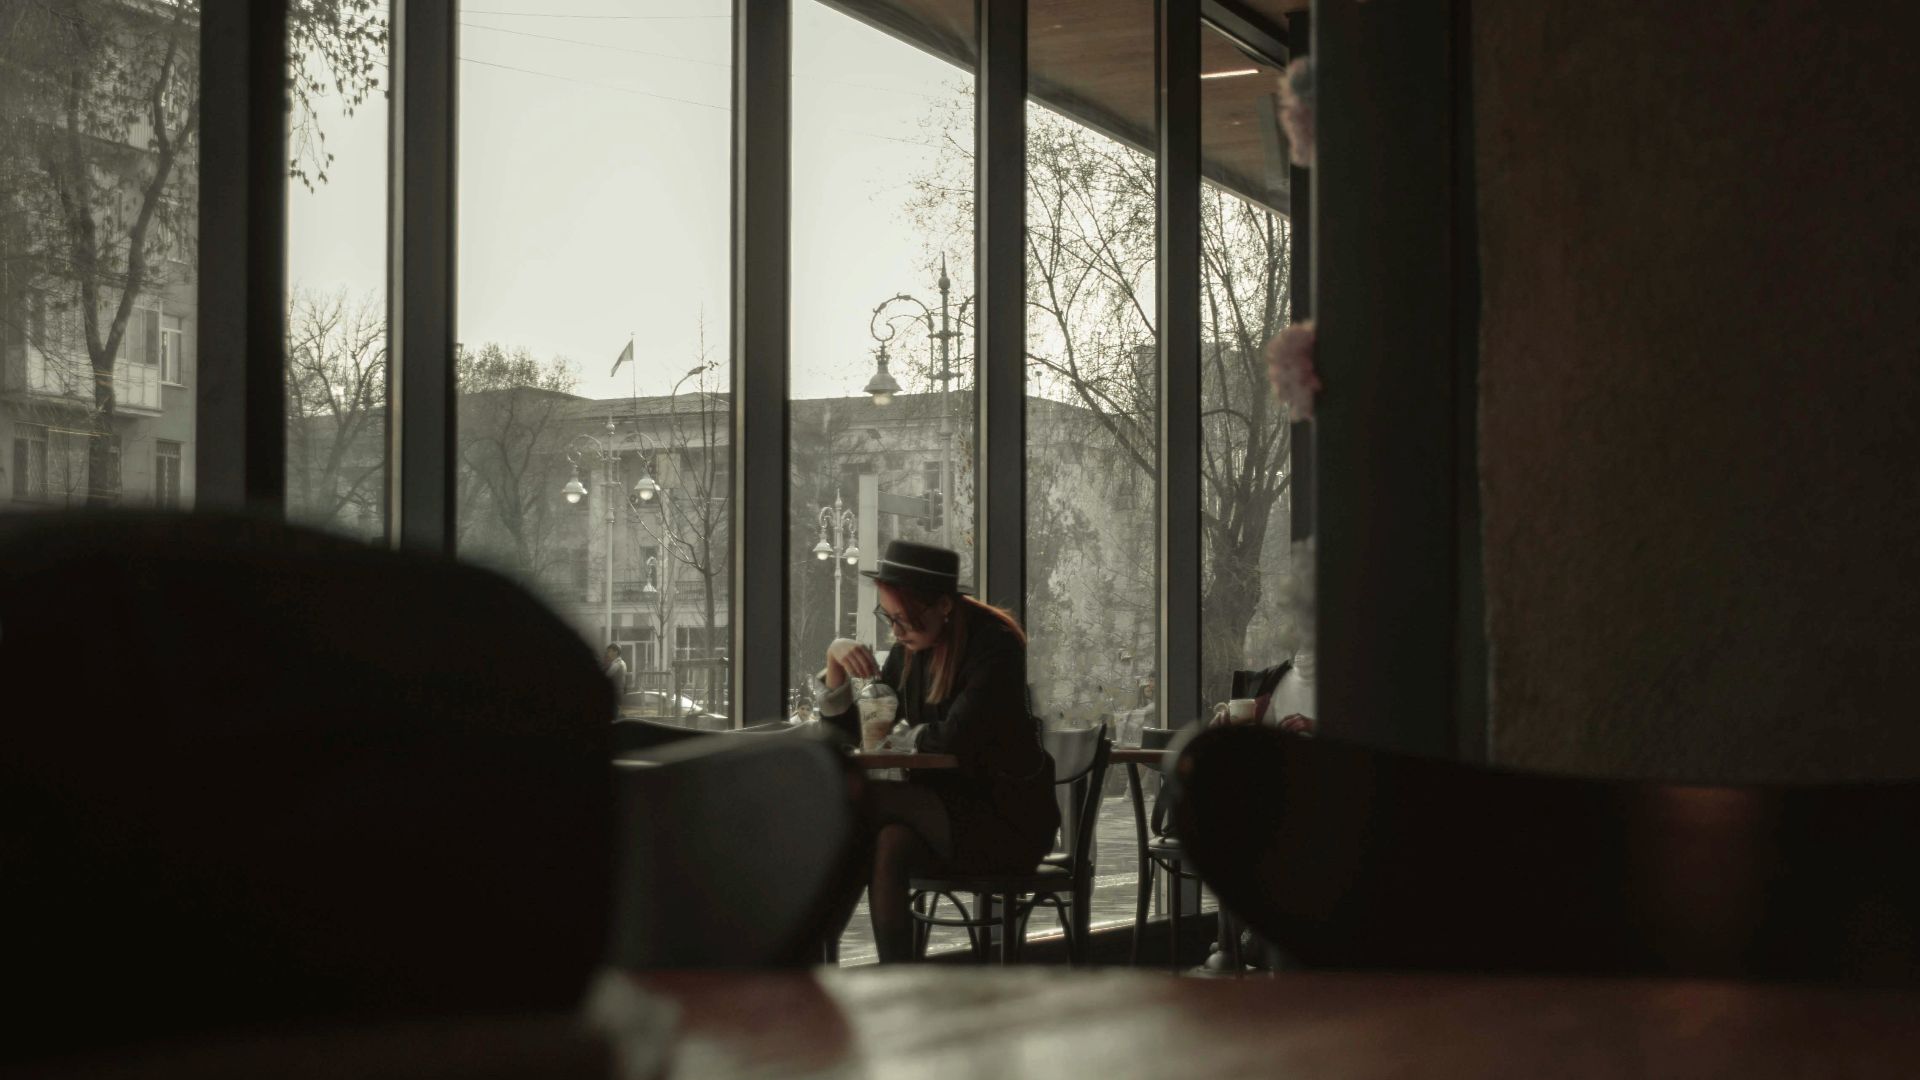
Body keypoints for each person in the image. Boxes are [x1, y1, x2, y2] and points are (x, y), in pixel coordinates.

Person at [813, 540, 1058, 962]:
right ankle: (900, 982)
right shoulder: (912, 650)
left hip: (1007, 820)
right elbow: (857, 735)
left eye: (903, 619)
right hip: (946, 813)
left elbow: (958, 737)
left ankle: (810, 957)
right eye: (888, 619)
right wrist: (835, 664)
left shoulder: (996, 645)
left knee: (861, 800)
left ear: (943, 605)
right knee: (889, 841)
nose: (895, 632)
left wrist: (905, 735)